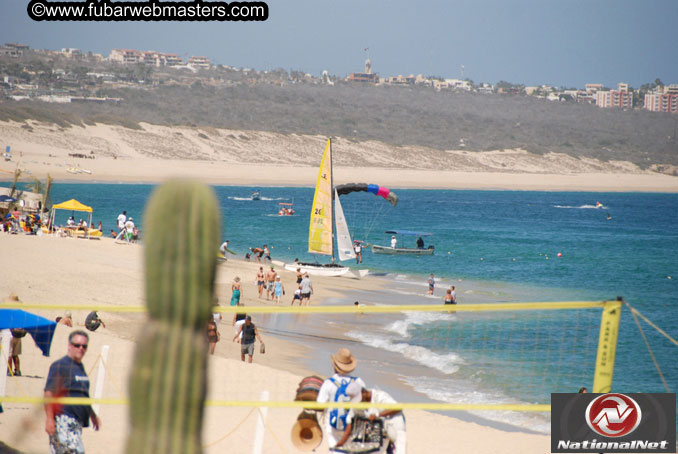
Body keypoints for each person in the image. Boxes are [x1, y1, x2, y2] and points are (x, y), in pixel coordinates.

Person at [44, 330, 101, 453]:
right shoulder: (61, 365)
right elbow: (49, 393)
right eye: (77, 345)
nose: (81, 348)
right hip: (62, 420)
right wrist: (49, 419)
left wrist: (93, 415)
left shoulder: (80, 368)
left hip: (77, 423)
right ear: (70, 345)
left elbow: (82, 395)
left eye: (84, 346)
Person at [316, 348, 366, 451]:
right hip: (353, 424)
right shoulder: (359, 382)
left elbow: (320, 404)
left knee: (335, 449)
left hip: (333, 423)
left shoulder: (329, 383)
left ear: (334, 365)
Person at [336, 387, 405, 454]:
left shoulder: (379, 396)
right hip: (380, 434)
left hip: (395, 428)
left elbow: (398, 407)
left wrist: (378, 415)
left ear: (363, 392)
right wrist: (341, 442)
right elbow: (350, 422)